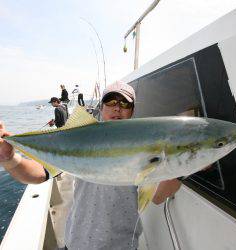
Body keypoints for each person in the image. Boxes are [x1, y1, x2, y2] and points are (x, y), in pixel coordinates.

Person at [0, 81, 181, 250]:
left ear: (132, 111)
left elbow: (157, 197)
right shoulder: (82, 140)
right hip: (76, 242)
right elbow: (38, 174)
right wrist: (9, 158)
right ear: (101, 108)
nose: (117, 108)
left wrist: (184, 167)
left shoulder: (144, 146)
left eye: (125, 104)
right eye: (110, 101)